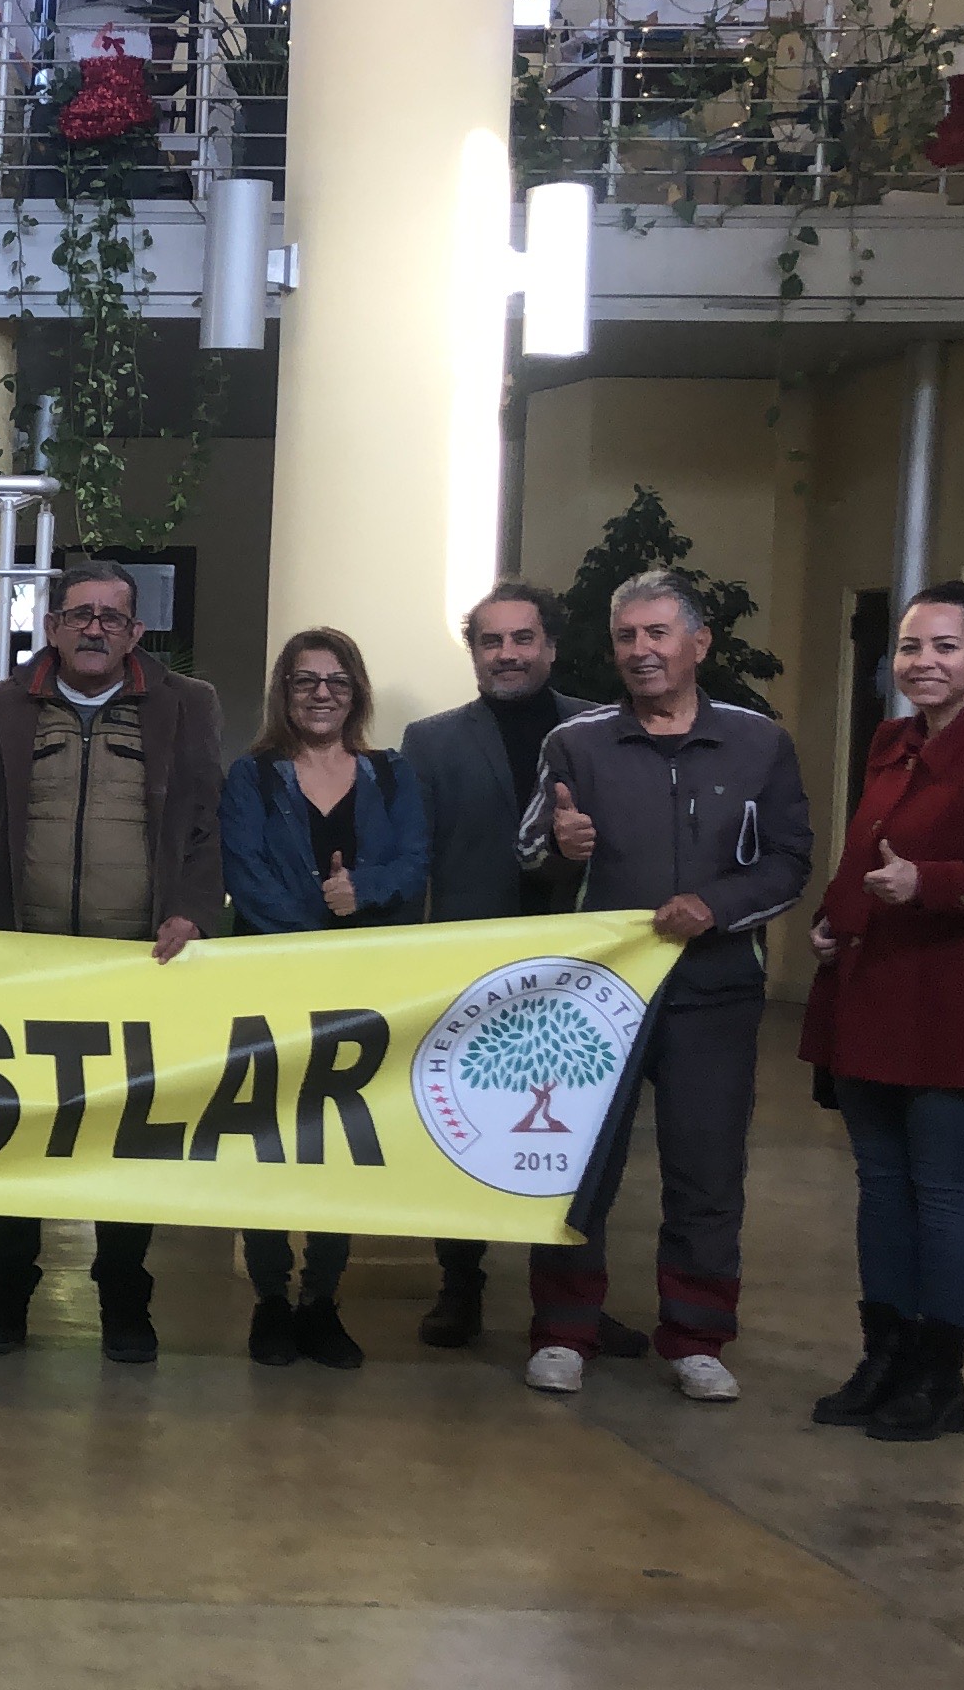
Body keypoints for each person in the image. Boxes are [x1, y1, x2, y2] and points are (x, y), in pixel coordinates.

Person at [519, 569, 811, 1401]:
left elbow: (790, 862)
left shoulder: (759, 743)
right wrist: (561, 848)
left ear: (698, 643)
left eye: (657, 633)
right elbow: (530, 850)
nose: (641, 651)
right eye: (626, 637)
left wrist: (717, 907)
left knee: (707, 1173)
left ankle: (697, 1336)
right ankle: (564, 1330)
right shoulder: (575, 743)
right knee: (579, 1165)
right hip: (595, 1004)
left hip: (714, 993)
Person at [801, 581, 964, 1442]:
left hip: (962, 1008)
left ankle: (941, 1377)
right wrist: (833, 921)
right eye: (911, 646)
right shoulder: (892, 742)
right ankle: (884, 1357)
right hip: (873, 996)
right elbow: (864, 855)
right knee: (880, 1188)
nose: (924, 662)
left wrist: (927, 884)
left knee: (945, 1192)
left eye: (947, 646)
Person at [0, 559, 222, 1364]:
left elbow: (206, 823)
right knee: (17, 1133)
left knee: (127, 1138)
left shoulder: (189, 705)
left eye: (111, 617)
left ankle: (124, 1297)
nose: (95, 628)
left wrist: (193, 912)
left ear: (136, 632)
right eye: (80, 615)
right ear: (53, 627)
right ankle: (5, 1290)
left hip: (137, 967)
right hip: (21, 965)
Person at [397, 583, 615, 1355]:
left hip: (582, 970)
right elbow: (414, 859)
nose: (508, 654)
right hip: (472, 968)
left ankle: (576, 1301)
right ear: (475, 653)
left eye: (523, 639)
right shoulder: (431, 741)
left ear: (550, 646)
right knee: (468, 1134)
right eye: (492, 641)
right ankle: (460, 1287)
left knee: (579, 1139)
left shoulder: (603, 729)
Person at [217, 628, 431, 1372]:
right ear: (284, 692)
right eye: (305, 680)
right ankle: (271, 1299)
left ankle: (322, 1299)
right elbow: (245, 875)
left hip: (362, 992)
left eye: (336, 681)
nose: (321, 694)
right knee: (270, 1141)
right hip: (271, 984)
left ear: (356, 693)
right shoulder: (251, 777)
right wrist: (323, 928)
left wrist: (360, 891)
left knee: (340, 1143)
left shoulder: (392, 773)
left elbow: (414, 862)